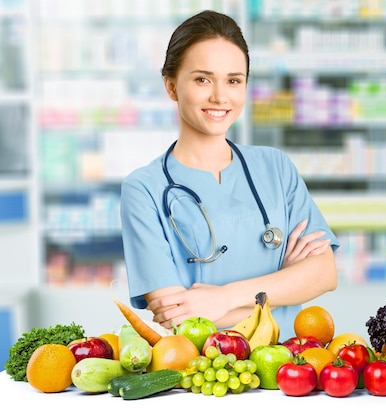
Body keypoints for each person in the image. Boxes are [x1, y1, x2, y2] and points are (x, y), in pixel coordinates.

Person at [119, 10, 339, 339]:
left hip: (292, 369)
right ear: (171, 86)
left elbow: (324, 273)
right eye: (202, 79)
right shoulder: (144, 189)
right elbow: (178, 317)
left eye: (233, 80)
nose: (220, 96)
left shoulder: (275, 167)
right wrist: (285, 283)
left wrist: (223, 299)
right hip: (204, 377)